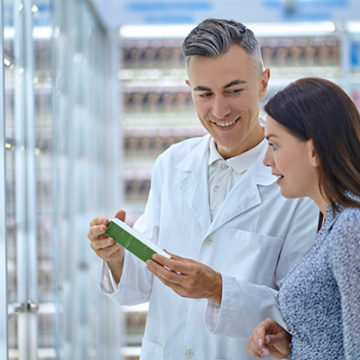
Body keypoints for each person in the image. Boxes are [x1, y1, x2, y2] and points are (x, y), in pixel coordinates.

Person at [88, 19, 318, 359]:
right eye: (205, 93)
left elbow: (303, 312)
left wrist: (218, 289)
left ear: (263, 83)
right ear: (189, 88)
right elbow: (143, 281)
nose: (219, 110)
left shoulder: (298, 179)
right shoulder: (171, 163)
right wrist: (118, 257)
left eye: (234, 90)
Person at [247, 77, 360, 359]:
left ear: (313, 151)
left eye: (274, 145)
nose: (267, 161)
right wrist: (299, 344)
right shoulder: (333, 219)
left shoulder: (350, 226)